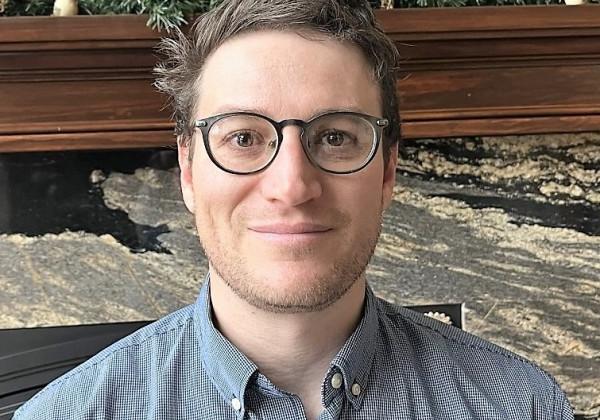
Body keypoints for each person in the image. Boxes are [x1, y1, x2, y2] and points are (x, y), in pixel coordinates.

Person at [14, 0, 574, 419]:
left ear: (385, 171)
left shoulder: (521, 404)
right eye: (242, 138)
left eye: (335, 137)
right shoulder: (69, 413)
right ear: (188, 171)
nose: (292, 186)